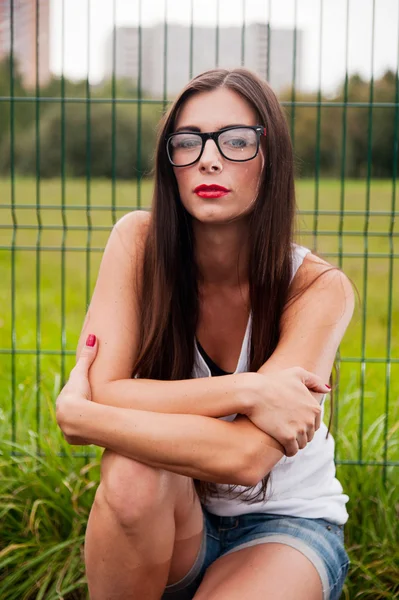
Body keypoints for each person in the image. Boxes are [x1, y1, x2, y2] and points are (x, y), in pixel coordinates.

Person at [56, 67, 354, 600]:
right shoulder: (136, 244)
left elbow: (247, 457)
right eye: (188, 142)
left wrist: (86, 417)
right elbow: (109, 389)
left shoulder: (318, 289)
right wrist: (248, 389)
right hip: (175, 514)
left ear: (272, 159)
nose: (209, 159)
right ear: (170, 163)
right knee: (128, 473)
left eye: (237, 141)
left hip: (285, 525)